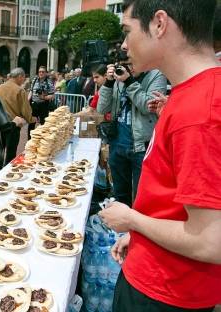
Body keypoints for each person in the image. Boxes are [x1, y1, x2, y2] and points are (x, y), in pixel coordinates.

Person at [98, 1, 221, 311]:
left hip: (164, 293)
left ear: (159, 24)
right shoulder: (190, 93)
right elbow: (175, 203)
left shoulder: (200, 110)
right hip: (161, 278)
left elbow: (211, 241)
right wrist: (142, 235)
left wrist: (132, 220)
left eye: (128, 31)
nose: (124, 45)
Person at [97, 60, 167, 207]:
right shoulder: (118, 78)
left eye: (132, 63)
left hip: (141, 145)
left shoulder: (156, 75)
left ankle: (137, 227)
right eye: (125, 64)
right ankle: (121, 229)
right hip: (117, 141)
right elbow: (102, 108)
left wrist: (129, 81)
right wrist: (108, 84)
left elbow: (148, 106)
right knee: (120, 194)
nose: (129, 68)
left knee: (141, 196)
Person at [0, 67, 36, 164]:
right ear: (19, 76)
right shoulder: (19, 90)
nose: (23, 80)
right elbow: (25, 110)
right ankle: (7, 175)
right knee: (10, 154)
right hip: (13, 125)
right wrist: (31, 119)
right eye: (23, 78)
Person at [28, 66, 55, 137]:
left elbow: (52, 95)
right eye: (40, 72)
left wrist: (44, 97)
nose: (41, 73)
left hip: (44, 104)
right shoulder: (35, 80)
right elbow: (31, 91)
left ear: (46, 73)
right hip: (34, 104)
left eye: (43, 72)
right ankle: (29, 139)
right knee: (31, 122)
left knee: (44, 123)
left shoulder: (49, 82)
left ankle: (43, 139)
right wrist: (27, 100)